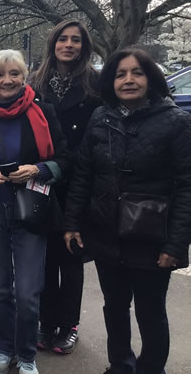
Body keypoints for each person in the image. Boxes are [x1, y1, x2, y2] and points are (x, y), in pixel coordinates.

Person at [64, 48, 191, 374]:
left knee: (150, 312)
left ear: (151, 78)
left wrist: (176, 245)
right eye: (121, 74)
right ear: (111, 81)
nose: (129, 80)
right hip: (106, 232)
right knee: (115, 306)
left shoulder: (176, 121)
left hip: (151, 237)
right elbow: (83, 175)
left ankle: (151, 369)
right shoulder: (101, 117)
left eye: (137, 73)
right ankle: (120, 364)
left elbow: (186, 187)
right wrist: (73, 222)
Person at [0, 49, 68, 374]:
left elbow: (65, 159)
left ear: (24, 76)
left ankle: (26, 356)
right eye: (0, 74)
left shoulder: (43, 112)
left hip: (31, 210)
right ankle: (4, 349)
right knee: (0, 291)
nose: (7, 80)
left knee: (27, 293)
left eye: (14, 73)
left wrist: (39, 169)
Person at [28, 19, 101, 354]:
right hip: (42, 179)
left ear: (83, 47)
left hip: (78, 180)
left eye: (75, 40)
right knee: (44, 259)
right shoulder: (36, 81)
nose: (68, 45)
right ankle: (46, 321)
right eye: (63, 39)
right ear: (53, 43)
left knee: (71, 258)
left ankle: (68, 324)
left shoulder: (94, 83)